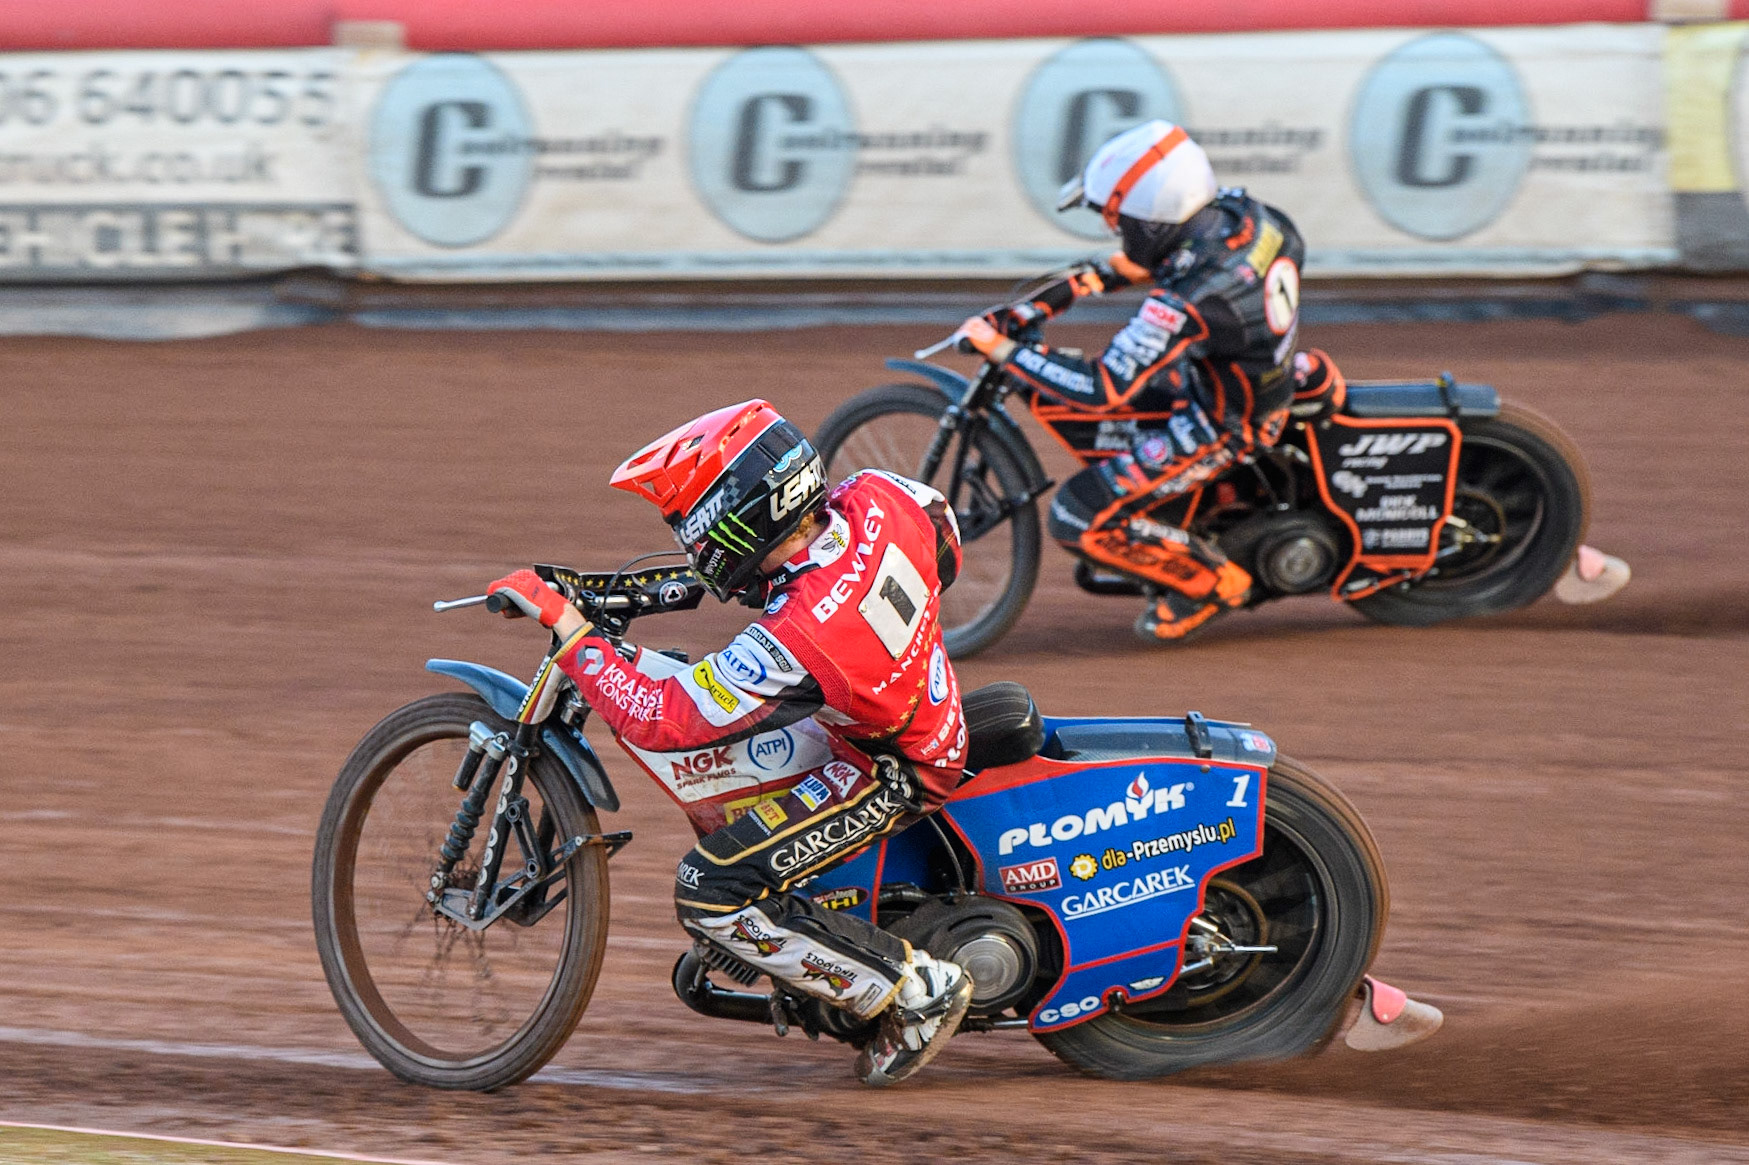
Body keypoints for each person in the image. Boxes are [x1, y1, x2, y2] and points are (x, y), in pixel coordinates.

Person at [483, 399, 974, 1087]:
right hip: (909, 706)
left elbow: (662, 717)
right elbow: (942, 539)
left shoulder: (798, 636)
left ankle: (912, 989)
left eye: (686, 523)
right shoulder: (878, 496)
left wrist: (573, 634)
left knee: (709, 888)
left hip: (891, 767)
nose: (685, 541)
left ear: (732, 518)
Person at [957, 120, 1324, 642]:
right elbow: (1183, 262)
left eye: (1118, 219)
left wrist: (1005, 351)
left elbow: (1103, 387)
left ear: (1152, 218)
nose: (1115, 232)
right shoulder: (1252, 217)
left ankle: (1220, 585)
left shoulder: (1191, 295)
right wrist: (1089, 280)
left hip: (1227, 420)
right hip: (1245, 366)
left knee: (1076, 514)